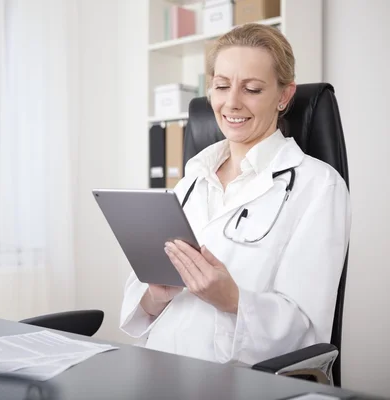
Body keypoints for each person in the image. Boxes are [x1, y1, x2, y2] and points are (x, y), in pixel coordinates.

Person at [120, 23, 351, 366]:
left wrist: (232, 299)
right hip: (158, 370)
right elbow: (138, 309)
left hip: (242, 383)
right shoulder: (190, 183)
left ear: (284, 96)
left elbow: (307, 330)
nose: (231, 103)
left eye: (252, 89)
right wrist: (156, 295)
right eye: (222, 86)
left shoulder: (319, 187)